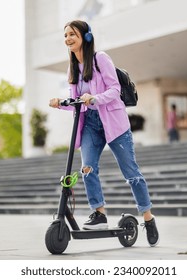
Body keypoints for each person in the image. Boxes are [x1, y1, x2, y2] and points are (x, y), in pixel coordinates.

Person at [49, 20, 159, 247]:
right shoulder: (72, 68)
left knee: (132, 174)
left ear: (86, 37)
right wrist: (61, 103)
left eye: (73, 34)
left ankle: (148, 218)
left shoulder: (101, 59)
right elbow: (79, 103)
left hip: (113, 121)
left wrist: (95, 98)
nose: (68, 38)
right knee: (87, 167)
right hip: (89, 122)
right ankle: (99, 213)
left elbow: (115, 90)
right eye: (66, 35)